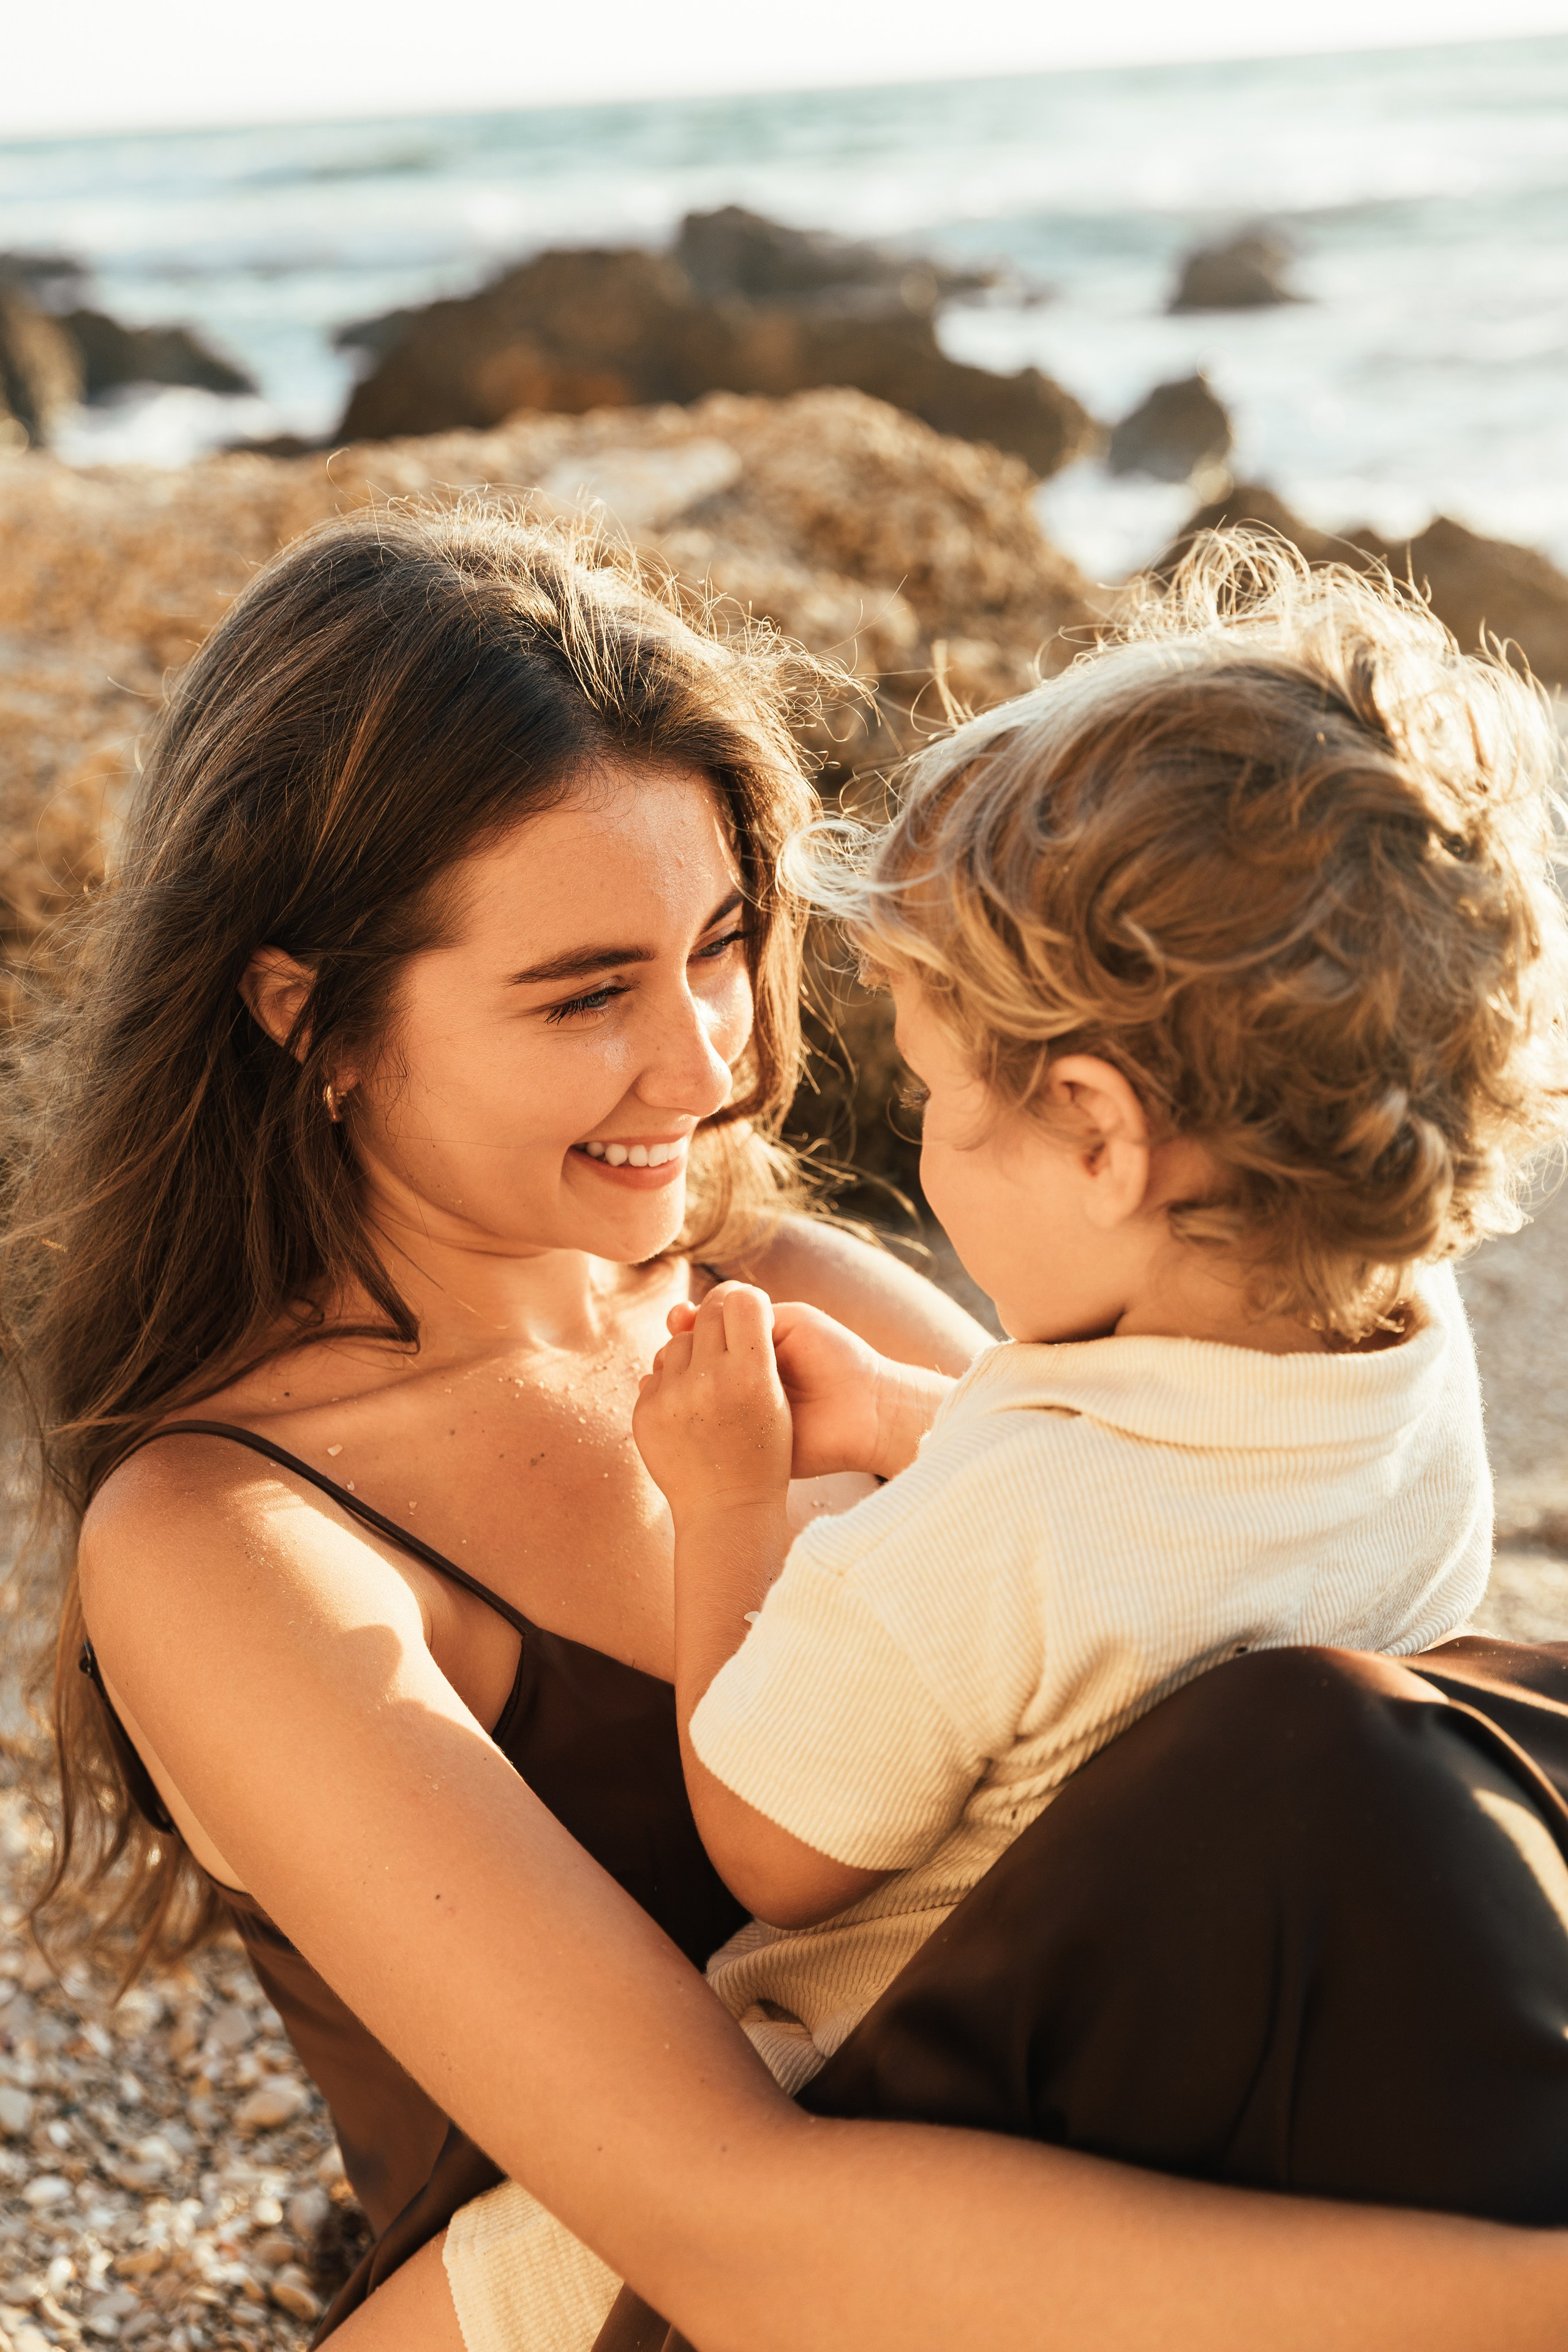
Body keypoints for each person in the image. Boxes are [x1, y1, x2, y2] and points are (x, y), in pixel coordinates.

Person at [6, 508, 1567, 2352]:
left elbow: (1178, 1586)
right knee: (1338, 1758)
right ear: (313, 1018)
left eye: (726, 945)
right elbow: (738, 2230)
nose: (709, 1064)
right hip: (656, 2305)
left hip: (1057, 2196)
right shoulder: (233, 1538)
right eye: (588, 992)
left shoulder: (786, 1284)